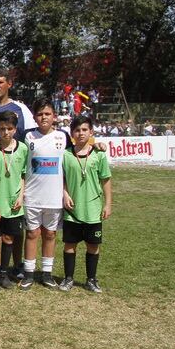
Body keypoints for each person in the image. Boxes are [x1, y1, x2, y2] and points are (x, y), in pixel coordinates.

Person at [21, 99, 71, 290]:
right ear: (34, 117)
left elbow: (70, 164)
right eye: (40, 114)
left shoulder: (63, 136)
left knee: (50, 234)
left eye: (47, 114)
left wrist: (65, 192)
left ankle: (47, 274)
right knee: (32, 233)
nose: (44, 117)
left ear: (54, 116)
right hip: (32, 196)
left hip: (54, 196)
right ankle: (28, 274)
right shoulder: (27, 136)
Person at [60, 115, 112, 293]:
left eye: (84, 130)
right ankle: (68, 279)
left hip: (93, 209)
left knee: (93, 246)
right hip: (72, 210)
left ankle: (91, 279)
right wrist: (65, 194)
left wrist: (108, 204)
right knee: (69, 245)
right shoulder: (65, 154)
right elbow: (62, 178)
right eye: (77, 130)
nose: (80, 133)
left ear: (91, 132)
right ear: (71, 133)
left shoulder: (99, 154)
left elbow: (105, 180)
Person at [0, 111, 27, 292]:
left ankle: (4, 272)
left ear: (15, 129)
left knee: (9, 238)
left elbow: (23, 175)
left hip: (13, 204)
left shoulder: (23, 149)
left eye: (9, 128)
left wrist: (20, 196)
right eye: (2, 129)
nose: (6, 132)